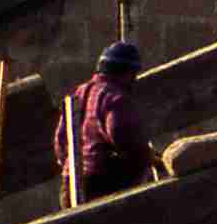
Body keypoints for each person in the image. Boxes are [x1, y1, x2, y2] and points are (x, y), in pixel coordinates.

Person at [53, 39, 156, 198]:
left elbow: (60, 140)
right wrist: (146, 158)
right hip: (100, 185)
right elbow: (122, 135)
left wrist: (69, 166)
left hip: (69, 185)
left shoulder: (79, 92)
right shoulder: (114, 98)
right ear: (126, 73)